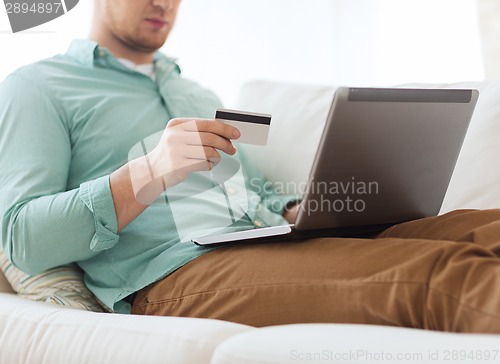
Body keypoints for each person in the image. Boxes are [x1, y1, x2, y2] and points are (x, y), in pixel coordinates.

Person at [1, 0, 500, 333]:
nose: (164, 4)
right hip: (173, 275)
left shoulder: (195, 93)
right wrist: (150, 170)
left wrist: (294, 210)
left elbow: (252, 192)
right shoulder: (37, 86)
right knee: (438, 276)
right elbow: (21, 239)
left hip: (266, 238)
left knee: (485, 229)